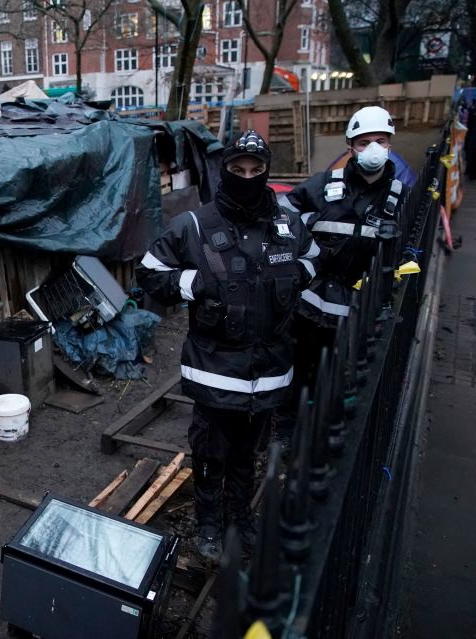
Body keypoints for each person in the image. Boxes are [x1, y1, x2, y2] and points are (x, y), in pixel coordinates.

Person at [136, 130, 319, 563]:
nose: (248, 177)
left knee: (246, 454)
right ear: (225, 171)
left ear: (267, 173)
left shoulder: (287, 224)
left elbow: (312, 258)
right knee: (209, 453)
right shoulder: (195, 225)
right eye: (238, 170)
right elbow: (148, 272)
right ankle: (210, 526)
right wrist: (193, 284)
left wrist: (295, 280)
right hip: (214, 370)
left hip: (269, 370)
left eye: (256, 171)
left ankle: (240, 517)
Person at [277, 106, 406, 409]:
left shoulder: (400, 197)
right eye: (364, 142)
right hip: (309, 300)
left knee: (340, 377)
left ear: (390, 144)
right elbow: (281, 218)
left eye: (381, 141)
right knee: (298, 367)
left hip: (358, 306)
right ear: (350, 146)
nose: (373, 149)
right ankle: (288, 427)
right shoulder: (324, 184)